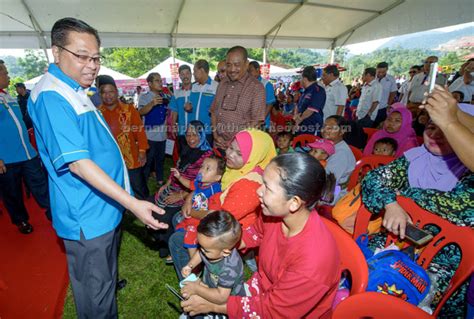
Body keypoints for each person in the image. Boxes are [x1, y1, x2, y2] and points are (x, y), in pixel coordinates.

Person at [27, 18, 167, 318]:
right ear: (56, 52)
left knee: (101, 281)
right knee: (95, 297)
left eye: (96, 57)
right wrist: (133, 204)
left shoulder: (74, 86)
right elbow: (77, 163)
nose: (91, 65)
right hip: (87, 214)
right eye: (81, 56)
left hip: (102, 206)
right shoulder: (52, 96)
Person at [181, 152, 341, 318]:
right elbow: (254, 234)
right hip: (261, 291)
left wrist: (214, 306)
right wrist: (220, 242)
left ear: (294, 202)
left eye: (268, 188)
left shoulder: (313, 262)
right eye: (262, 182)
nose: (258, 191)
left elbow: (274, 311)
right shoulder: (274, 215)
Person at [361, 120, 472, 317]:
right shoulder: (415, 157)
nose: (435, 135)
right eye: (431, 127)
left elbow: (462, 207)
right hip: (394, 244)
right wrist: (391, 204)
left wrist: (402, 197)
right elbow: (373, 178)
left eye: (446, 130)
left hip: (440, 267)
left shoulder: (469, 173)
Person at [170, 129, 276, 279]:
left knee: (177, 239)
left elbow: (219, 218)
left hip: (230, 232)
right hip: (219, 216)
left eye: (239, 154)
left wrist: (190, 210)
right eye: (231, 148)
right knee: (177, 219)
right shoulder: (238, 170)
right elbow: (206, 186)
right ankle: (196, 264)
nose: (230, 155)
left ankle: (192, 278)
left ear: (255, 157)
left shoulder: (249, 185)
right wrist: (188, 199)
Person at [0, 60, 51, 234]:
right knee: (12, 192)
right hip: (6, 158)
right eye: (5, 73)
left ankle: (52, 211)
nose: (8, 76)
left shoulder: (7, 96)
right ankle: (21, 220)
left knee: (40, 184)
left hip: (28, 153)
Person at [152, 121, 213, 260]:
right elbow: (176, 169)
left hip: (191, 194)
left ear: (202, 135)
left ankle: (169, 247)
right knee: (150, 205)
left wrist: (181, 195)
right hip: (175, 187)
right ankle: (160, 240)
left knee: (165, 215)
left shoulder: (208, 157)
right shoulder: (186, 149)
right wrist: (166, 184)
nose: (190, 138)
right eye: (188, 134)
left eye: (195, 135)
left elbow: (203, 185)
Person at [180, 211, 245, 312]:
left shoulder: (230, 268)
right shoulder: (210, 249)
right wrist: (190, 265)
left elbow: (221, 298)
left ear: (225, 252)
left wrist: (196, 289)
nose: (201, 250)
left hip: (228, 300)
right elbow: (200, 254)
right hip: (211, 285)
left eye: (205, 250)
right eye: (200, 246)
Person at [98, 75, 149, 199]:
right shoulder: (97, 113)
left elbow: (139, 131)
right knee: (115, 188)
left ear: (116, 92)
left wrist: (142, 151)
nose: (108, 95)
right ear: (100, 94)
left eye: (111, 92)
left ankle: (147, 210)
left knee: (139, 187)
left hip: (131, 157)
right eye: (104, 92)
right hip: (110, 160)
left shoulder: (129, 109)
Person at [211, 46, 266, 151]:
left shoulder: (256, 87)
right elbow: (214, 111)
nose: (232, 69)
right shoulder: (222, 83)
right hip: (218, 145)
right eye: (229, 65)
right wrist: (215, 135)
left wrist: (233, 143)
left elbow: (256, 122)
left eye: (237, 65)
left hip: (240, 149)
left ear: (246, 64)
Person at [171, 155, 225, 257]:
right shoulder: (200, 183)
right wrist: (179, 177)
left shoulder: (215, 190)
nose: (202, 170)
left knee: (190, 237)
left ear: (217, 177)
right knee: (180, 227)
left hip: (199, 222)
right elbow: (189, 184)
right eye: (202, 166)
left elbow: (213, 212)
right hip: (191, 217)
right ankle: (180, 251)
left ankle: (194, 262)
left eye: (207, 168)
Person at [138, 72, 172, 185]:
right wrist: (152, 103)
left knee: (160, 159)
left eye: (160, 81)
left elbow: (168, 113)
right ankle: (143, 180)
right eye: (157, 81)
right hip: (150, 135)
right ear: (150, 84)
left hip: (162, 134)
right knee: (148, 160)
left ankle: (160, 179)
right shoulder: (144, 97)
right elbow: (140, 112)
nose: (160, 83)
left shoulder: (165, 97)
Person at [321, 115, 356, 188]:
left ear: (341, 132)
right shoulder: (326, 144)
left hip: (333, 191)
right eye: (324, 126)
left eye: (330, 128)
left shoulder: (341, 154)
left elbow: (329, 182)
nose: (325, 130)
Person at [294, 66, 326, 135]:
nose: (300, 80)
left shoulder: (318, 90)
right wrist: (296, 117)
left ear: (305, 79)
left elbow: (311, 110)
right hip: (301, 126)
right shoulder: (305, 91)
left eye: (301, 78)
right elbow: (299, 106)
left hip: (311, 127)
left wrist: (299, 120)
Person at [248, 61, 276, 130]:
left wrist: (260, 121)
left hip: (262, 124)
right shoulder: (249, 84)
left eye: (250, 70)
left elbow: (269, 105)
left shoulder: (266, 84)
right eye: (247, 71)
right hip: (249, 123)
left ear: (257, 70)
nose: (248, 73)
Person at [170, 65, 193, 143]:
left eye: (187, 73)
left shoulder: (197, 91)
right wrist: (173, 126)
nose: (185, 76)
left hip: (196, 132)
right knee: (183, 154)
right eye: (182, 74)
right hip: (182, 132)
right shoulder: (176, 93)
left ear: (191, 74)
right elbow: (174, 112)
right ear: (179, 76)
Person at [373, 62, 398, 127]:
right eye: (379, 72)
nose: (381, 74)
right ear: (376, 69)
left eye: (383, 72)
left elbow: (393, 92)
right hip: (370, 106)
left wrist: (388, 104)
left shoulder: (391, 79)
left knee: (378, 126)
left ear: (387, 70)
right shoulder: (372, 77)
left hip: (383, 107)